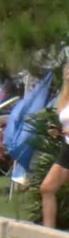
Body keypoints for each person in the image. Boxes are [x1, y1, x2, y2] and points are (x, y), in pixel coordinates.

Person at [41, 66, 69, 228]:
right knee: (47, 188)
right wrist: (55, 129)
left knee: (48, 187)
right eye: (66, 72)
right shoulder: (65, 97)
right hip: (66, 147)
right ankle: (48, 234)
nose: (68, 74)